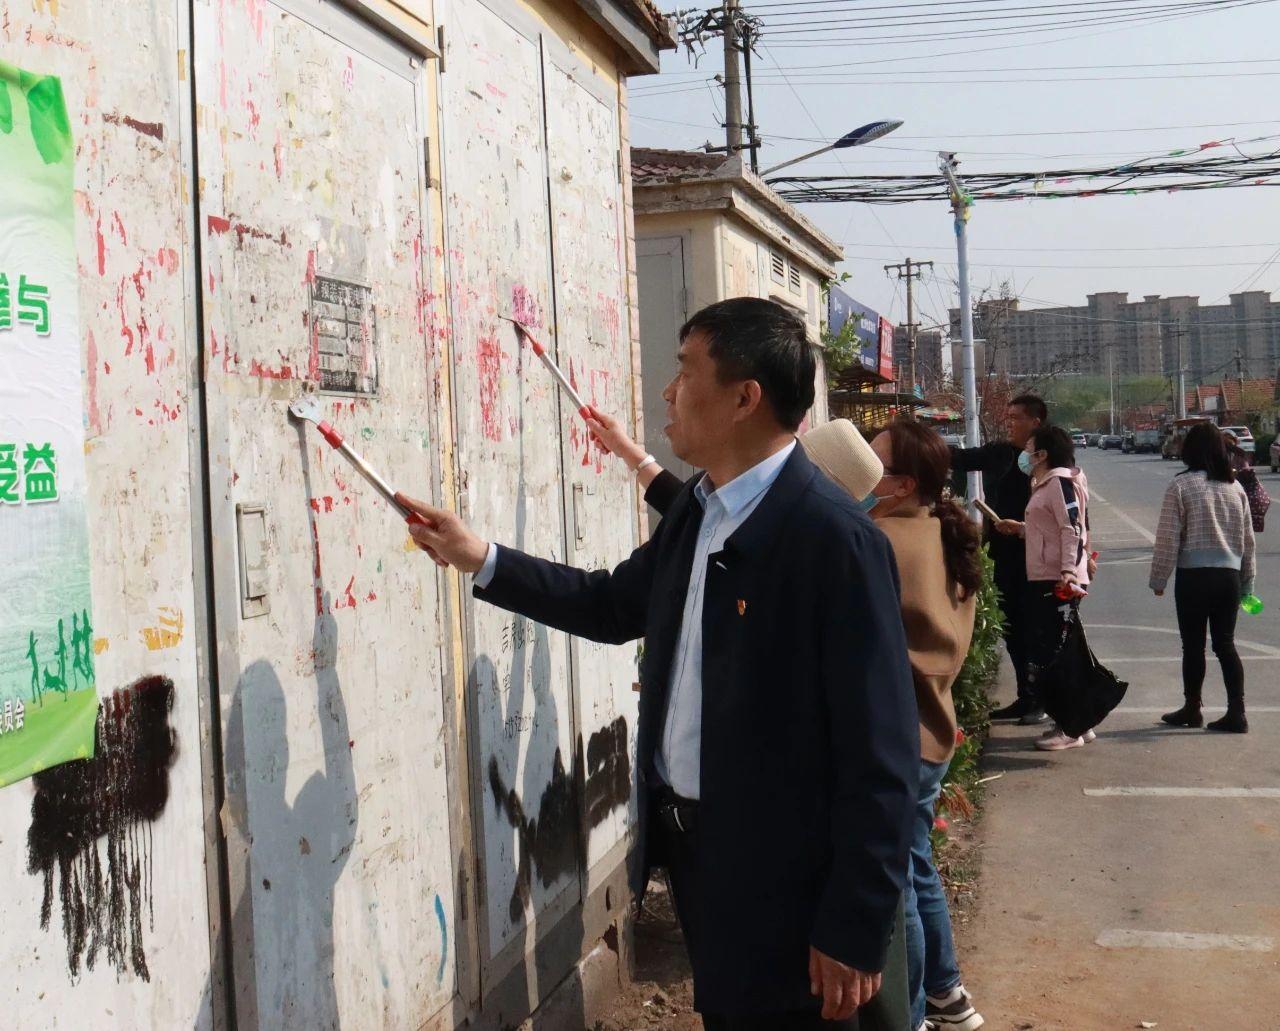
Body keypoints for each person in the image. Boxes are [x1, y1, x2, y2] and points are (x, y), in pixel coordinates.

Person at [399, 297, 920, 1028]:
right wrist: (480, 557)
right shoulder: (698, 513)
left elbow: (882, 757)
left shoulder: (830, 542)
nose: (668, 393)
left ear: (745, 398)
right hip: (702, 859)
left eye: (684, 371)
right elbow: (611, 604)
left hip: (790, 883)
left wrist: (854, 925)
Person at [865, 419, 985, 1031]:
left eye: (874, 462)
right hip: (932, 730)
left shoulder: (881, 540)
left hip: (896, 737)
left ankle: (914, 1012)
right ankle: (947, 993)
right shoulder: (946, 532)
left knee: (901, 883)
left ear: (903, 482)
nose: (864, 470)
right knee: (916, 866)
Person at [1149, 423, 1255, 734]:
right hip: (1229, 579)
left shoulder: (1180, 486)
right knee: (1225, 644)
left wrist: (1159, 579)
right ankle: (1237, 711)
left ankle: (1192, 708)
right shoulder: (1235, 488)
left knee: (1192, 646)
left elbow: (1168, 538)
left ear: (1189, 450)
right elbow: (1248, 541)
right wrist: (1248, 583)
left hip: (1194, 578)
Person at [992, 426, 1093, 752]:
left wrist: (1066, 571)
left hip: (1057, 580)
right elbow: (1051, 527)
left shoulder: (1059, 483)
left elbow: (1072, 529)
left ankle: (1069, 727)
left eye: (1029, 447)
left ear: (1042, 455)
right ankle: (1078, 720)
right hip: (1049, 575)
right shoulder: (1048, 484)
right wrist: (1022, 529)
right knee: (1063, 652)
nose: (1024, 452)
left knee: (1054, 655)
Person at [950, 396, 1049, 726]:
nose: (1010, 423)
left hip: (1037, 556)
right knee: (1014, 628)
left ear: (1036, 421)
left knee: (1038, 630)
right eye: (1007, 417)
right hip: (1004, 554)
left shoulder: (1049, 459)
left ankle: (1043, 699)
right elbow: (960, 458)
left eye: (1016, 417)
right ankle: (1025, 694)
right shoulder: (999, 454)